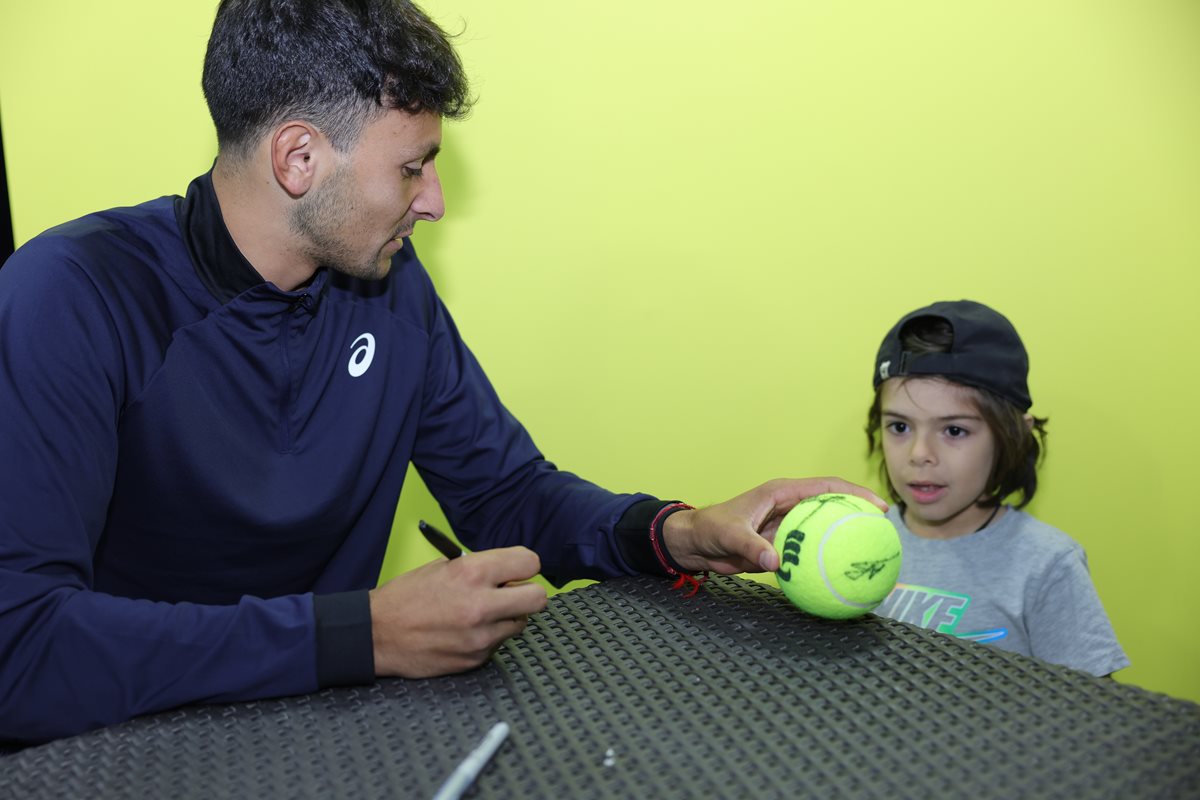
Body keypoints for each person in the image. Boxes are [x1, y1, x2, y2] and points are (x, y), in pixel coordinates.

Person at [0, 0, 881, 744]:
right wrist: (362, 635)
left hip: (326, 736)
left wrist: (673, 533)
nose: (434, 201)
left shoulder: (386, 283)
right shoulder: (73, 295)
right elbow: (21, 648)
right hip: (116, 747)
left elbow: (508, 495)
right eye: (411, 166)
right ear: (299, 159)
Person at [866, 300, 1127, 676]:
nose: (920, 454)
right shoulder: (858, 535)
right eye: (900, 427)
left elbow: (1093, 706)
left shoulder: (1047, 564)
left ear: (1013, 436)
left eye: (954, 430)